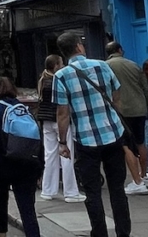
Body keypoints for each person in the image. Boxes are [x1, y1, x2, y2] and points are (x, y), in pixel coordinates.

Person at [55, 32, 132, 237]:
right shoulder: (102, 65)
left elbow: (63, 114)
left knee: (93, 193)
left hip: (86, 141)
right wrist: (115, 121)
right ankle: (123, 233)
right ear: (79, 47)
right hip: (113, 135)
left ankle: (100, 233)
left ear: (63, 53)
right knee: (117, 190)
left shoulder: (61, 76)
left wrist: (62, 143)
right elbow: (117, 97)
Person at [0, 77, 42, 237]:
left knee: (0, 201)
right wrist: (40, 167)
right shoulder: (24, 109)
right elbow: (37, 141)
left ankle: (2, 234)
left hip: (1, 165)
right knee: (27, 209)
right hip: (27, 165)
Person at [38, 55, 84, 203]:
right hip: (59, 121)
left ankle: (48, 190)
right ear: (56, 66)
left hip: (46, 120)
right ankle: (70, 192)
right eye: (61, 63)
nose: (63, 65)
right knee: (66, 155)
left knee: (49, 156)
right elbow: (63, 106)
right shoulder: (58, 80)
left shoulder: (43, 80)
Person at [105, 42, 148, 194]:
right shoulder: (134, 65)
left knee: (126, 145)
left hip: (121, 111)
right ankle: (144, 175)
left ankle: (137, 181)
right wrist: (145, 104)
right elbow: (146, 89)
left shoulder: (105, 66)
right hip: (139, 108)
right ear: (119, 50)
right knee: (140, 142)